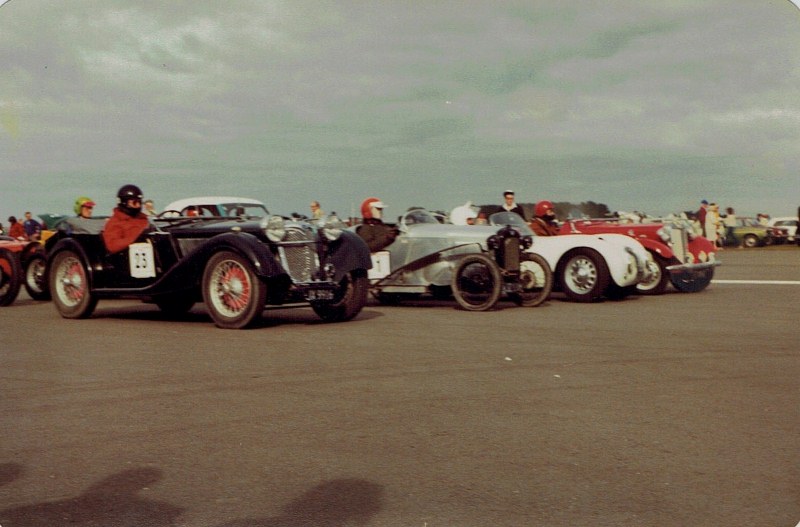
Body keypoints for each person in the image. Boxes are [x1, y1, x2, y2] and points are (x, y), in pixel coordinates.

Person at [102, 184, 151, 254]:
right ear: (124, 202)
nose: (138, 206)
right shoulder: (115, 222)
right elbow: (112, 246)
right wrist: (137, 238)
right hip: (129, 257)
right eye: (134, 203)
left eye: (139, 202)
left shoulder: (143, 219)